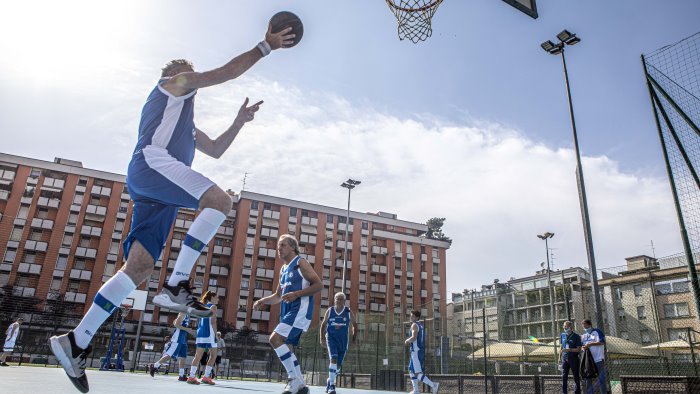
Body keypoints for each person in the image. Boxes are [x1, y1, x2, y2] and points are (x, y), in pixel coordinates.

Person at [47, 21, 295, 393]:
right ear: (173, 76)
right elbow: (222, 73)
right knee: (220, 200)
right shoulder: (170, 87)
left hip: (152, 189)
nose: (190, 77)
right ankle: (178, 283)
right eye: (186, 73)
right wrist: (266, 46)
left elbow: (216, 150)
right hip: (151, 165)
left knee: (140, 267)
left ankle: (76, 341)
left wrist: (239, 122)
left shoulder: (186, 122)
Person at [253, 234, 322, 394]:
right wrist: (263, 300)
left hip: (300, 310)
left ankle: (293, 379)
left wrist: (297, 294)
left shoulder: (300, 262)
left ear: (292, 246)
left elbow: (319, 285)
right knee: (287, 348)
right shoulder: (283, 269)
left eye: (283, 245)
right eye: (278, 246)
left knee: (274, 339)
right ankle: (301, 385)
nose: (279, 248)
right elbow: (278, 296)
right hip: (288, 312)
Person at [320, 292, 357, 394]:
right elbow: (323, 325)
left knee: (338, 366)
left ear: (344, 301)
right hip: (331, 338)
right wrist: (322, 338)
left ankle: (329, 380)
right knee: (333, 358)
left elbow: (355, 325)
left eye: (341, 299)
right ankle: (332, 385)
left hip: (343, 341)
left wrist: (354, 339)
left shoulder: (348, 312)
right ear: (334, 300)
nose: (339, 301)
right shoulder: (330, 311)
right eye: (337, 298)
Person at [149, 313, 194, 381]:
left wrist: (185, 329)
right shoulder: (183, 313)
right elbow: (176, 324)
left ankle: (181, 375)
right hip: (178, 338)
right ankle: (154, 366)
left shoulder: (187, 314)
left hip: (183, 338)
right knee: (170, 355)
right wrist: (187, 329)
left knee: (183, 356)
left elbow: (174, 322)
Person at [188, 291, 219, 385]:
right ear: (212, 297)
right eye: (217, 297)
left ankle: (191, 377)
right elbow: (213, 322)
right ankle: (206, 377)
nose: (218, 299)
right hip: (209, 333)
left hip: (200, 333)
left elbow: (199, 321)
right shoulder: (213, 306)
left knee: (197, 356)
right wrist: (216, 335)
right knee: (213, 355)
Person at [405, 310, 440, 394]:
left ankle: (433, 385)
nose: (410, 317)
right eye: (410, 316)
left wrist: (406, 340)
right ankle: (416, 390)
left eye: (412, 316)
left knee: (417, 373)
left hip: (416, 352)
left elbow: (414, 338)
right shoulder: (420, 325)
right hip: (418, 351)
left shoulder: (414, 325)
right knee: (411, 371)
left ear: (417, 317)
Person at [581, 319, 607, 394]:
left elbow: (602, 342)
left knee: (601, 378)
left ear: (590, 325)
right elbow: (583, 345)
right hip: (588, 361)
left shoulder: (597, 331)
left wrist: (590, 344)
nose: (585, 328)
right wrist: (584, 347)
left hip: (598, 359)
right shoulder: (584, 335)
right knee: (588, 378)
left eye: (586, 326)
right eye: (584, 327)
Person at [559, 321, 582, 394]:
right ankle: (564, 392)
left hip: (573, 359)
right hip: (564, 359)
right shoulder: (562, 335)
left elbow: (578, 349)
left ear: (570, 327)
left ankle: (577, 392)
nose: (564, 328)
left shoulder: (576, 336)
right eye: (564, 326)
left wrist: (569, 350)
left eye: (566, 326)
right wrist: (559, 358)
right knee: (564, 376)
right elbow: (561, 347)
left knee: (576, 376)